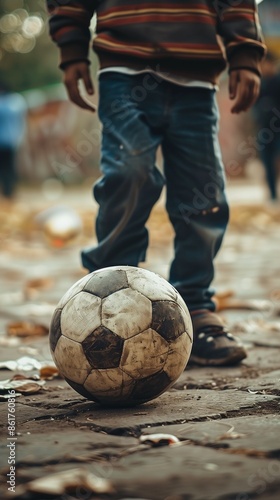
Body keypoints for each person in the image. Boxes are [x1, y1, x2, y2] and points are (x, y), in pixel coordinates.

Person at [46, 0, 266, 366]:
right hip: (123, 69)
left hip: (197, 79)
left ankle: (195, 304)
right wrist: (72, 50)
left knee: (204, 194)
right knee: (128, 174)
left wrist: (244, 52)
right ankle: (110, 294)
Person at [253, 51, 280, 201]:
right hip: (264, 128)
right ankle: (273, 194)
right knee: (267, 162)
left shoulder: (278, 81)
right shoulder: (260, 83)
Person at [0, 82, 26, 199]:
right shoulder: (17, 102)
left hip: (6, 141)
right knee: (9, 168)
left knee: (6, 168)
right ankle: (9, 192)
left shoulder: (7, 103)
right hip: (12, 140)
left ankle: (7, 192)